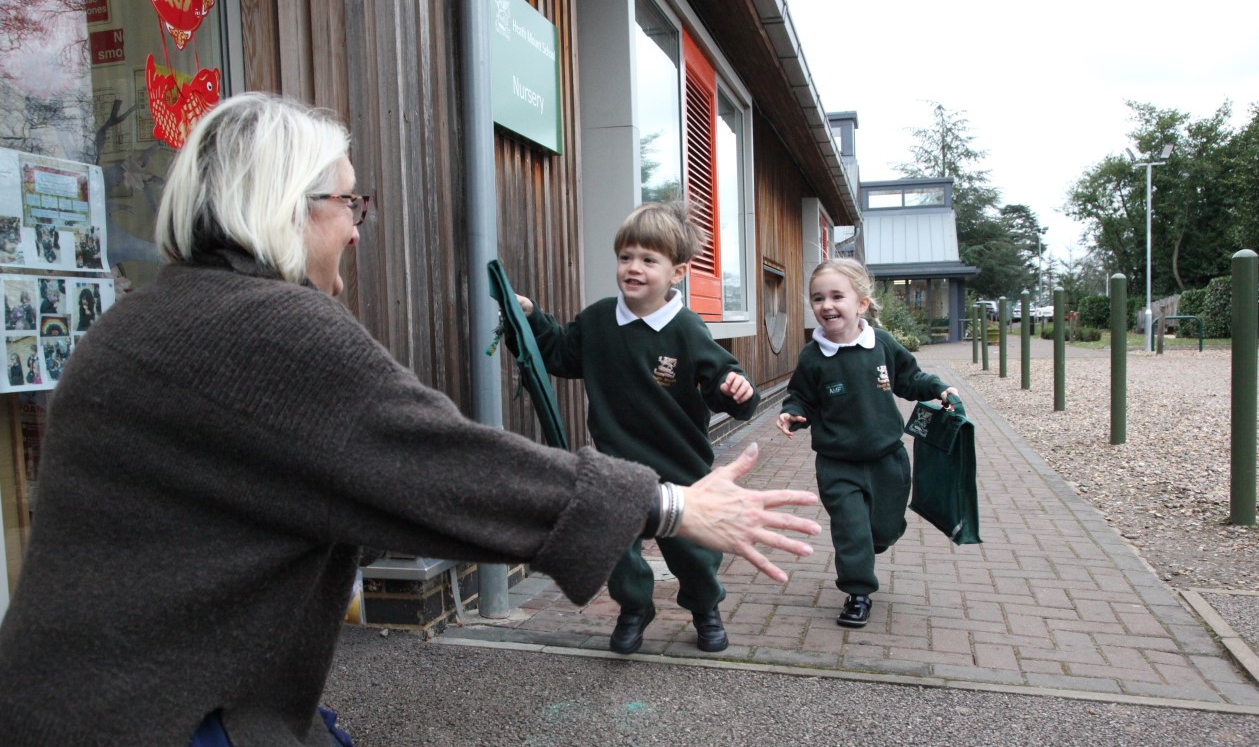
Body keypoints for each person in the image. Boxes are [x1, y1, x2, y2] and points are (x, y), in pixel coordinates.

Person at [0, 92, 821, 747]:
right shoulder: (267, 328)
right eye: (348, 203)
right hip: (160, 716)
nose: (357, 229)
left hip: (76, 698)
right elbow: (440, 465)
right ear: (289, 206)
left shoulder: (141, 320)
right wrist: (672, 503)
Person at [515, 200, 759, 656]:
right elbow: (561, 353)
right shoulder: (597, 320)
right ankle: (634, 608)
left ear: (678, 272)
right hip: (615, 462)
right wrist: (530, 317)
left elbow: (721, 383)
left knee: (693, 554)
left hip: (680, 466)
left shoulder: (687, 329)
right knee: (616, 549)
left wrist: (736, 390)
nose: (634, 267)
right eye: (626, 256)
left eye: (649, 259)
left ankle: (705, 606)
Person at [776, 258, 958, 629]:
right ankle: (858, 593)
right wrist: (793, 412)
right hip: (837, 462)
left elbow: (910, 379)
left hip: (887, 459)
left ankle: (879, 537)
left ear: (860, 302)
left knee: (884, 530)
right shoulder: (814, 357)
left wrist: (939, 389)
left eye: (836, 296)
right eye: (818, 298)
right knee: (851, 530)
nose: (826, 305)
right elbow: (801, 396)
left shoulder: (882, 345)